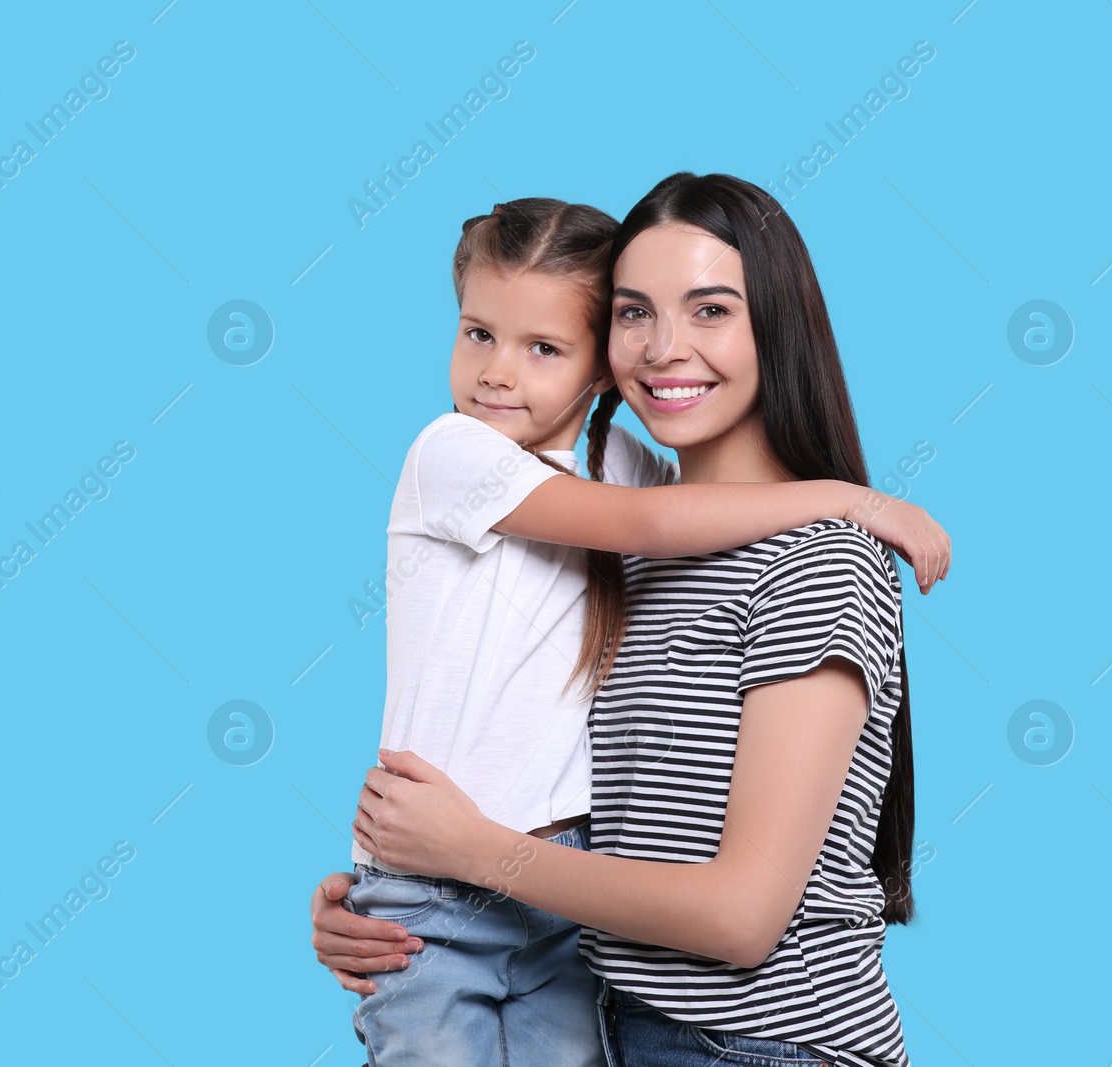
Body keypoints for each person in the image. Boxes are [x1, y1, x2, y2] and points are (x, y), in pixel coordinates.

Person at [321, 189, 947, 1067]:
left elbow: (739, 918)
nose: (664, 347)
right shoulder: (610, 532)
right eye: (632, 313)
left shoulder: (818, 559)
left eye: (711, 310)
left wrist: (474, 854)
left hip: (758, 1047)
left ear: (778, 323)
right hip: (614, 1014)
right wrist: (391, 892)